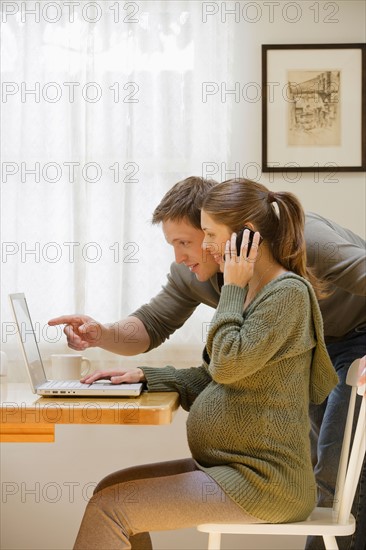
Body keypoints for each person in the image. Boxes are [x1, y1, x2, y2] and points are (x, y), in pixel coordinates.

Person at [49, 176, 366, 550]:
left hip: (355, 333)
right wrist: (104, 338)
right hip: (249, 449)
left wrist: (232, 286)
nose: (180, 256)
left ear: (233, 233)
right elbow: (156, 326)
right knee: (112, 493)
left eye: (190, 240)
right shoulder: (242, 286)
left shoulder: (296, 260)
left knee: (333, 474)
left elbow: (228, 365)